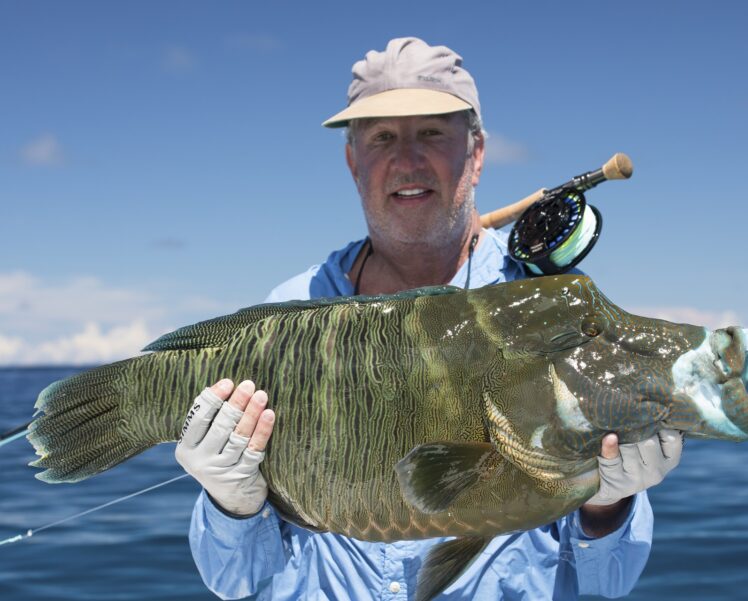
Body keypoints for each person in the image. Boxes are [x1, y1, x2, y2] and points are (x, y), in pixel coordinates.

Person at [176, 37, 682, 600]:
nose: (408, 159)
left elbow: (607, 582)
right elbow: (237, 582)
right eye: (383, 137)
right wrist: (231, 504)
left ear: (478, 151)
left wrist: (608, 503)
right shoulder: (294, 311)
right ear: (353, 160)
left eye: (433, 133)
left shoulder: (549, 311)